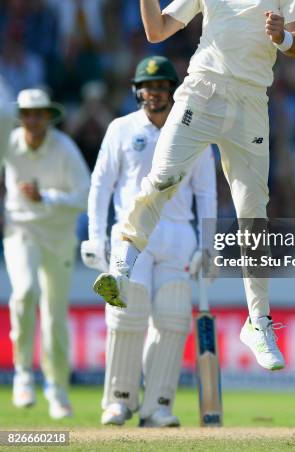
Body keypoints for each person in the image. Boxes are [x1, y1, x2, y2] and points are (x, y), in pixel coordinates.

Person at [94, 0, 295, 370]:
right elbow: (156, 30)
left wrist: (283, 37)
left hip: (252, 100)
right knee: (163, 178)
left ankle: (258, 322)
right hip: (203, 92)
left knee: (254, 212)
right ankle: (122, 268)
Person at [83, 55, 216, 426]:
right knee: (128, 315)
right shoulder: (121, 129)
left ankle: (158, 405)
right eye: (148, 87)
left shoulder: (195, 133)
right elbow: (101, 185)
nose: (154, 94)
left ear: (172, 91)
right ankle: (119, 401)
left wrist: (208, 246)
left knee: (173, 320)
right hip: (131, 237)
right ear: (137, 91)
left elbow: (206, 193)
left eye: (161, 87)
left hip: (177, 236)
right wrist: (96, 237)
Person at [2, 88, 90, 418]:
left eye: (38, 113)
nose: (32, 119)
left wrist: (48, 198)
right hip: (21, 229)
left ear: (48, 116)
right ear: (20, 116)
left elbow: (85, 194)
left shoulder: (64, 148)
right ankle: (23, 372)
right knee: (25, 292)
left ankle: (57, 387)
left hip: (59, 236)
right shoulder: (9, 143)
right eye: (27, 113)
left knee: (54, 314)